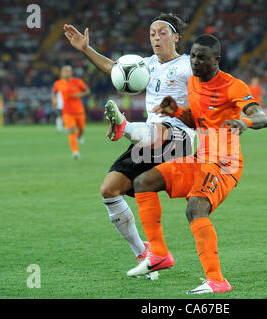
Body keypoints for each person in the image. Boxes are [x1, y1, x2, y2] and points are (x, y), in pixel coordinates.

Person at [126, 34, 267, 294]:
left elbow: (262, 117)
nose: (194, 61)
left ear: (216, 60)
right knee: (143, 182)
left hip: (225, 162)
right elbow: (197, 120)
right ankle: (158, 255)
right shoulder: (192, 82)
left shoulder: (232, 86)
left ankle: (217, 281)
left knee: (195, 208)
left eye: (201, 57)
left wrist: (243, 122)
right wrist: (177, 112)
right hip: (201, 157)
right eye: (192, 55)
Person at [63, 13, 195, 279]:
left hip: (179, 138)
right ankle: (144, 253)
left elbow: (197, 112)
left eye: (163, 33)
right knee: (109, 190)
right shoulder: (146, 65)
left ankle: (126, 128)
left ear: (176, 37)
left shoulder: (188, 67)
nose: (156, 38)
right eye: (152, 34)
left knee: (161, 130)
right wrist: (86, 48)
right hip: (151, 138)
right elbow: (115, 68)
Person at [52, 65, 90, 159]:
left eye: (67, 71)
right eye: (63, 71)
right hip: (67, 112)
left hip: (79, 111)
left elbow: (87, 91)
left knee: (81, 130)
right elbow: (54, 93)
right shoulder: (58, 83)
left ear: (71, 73)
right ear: (61, 73)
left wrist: (79, 94)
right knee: (72, 130)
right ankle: (75, 152)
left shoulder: (77, 82)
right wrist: (54, 101)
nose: (65, 73)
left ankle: (79, 136)